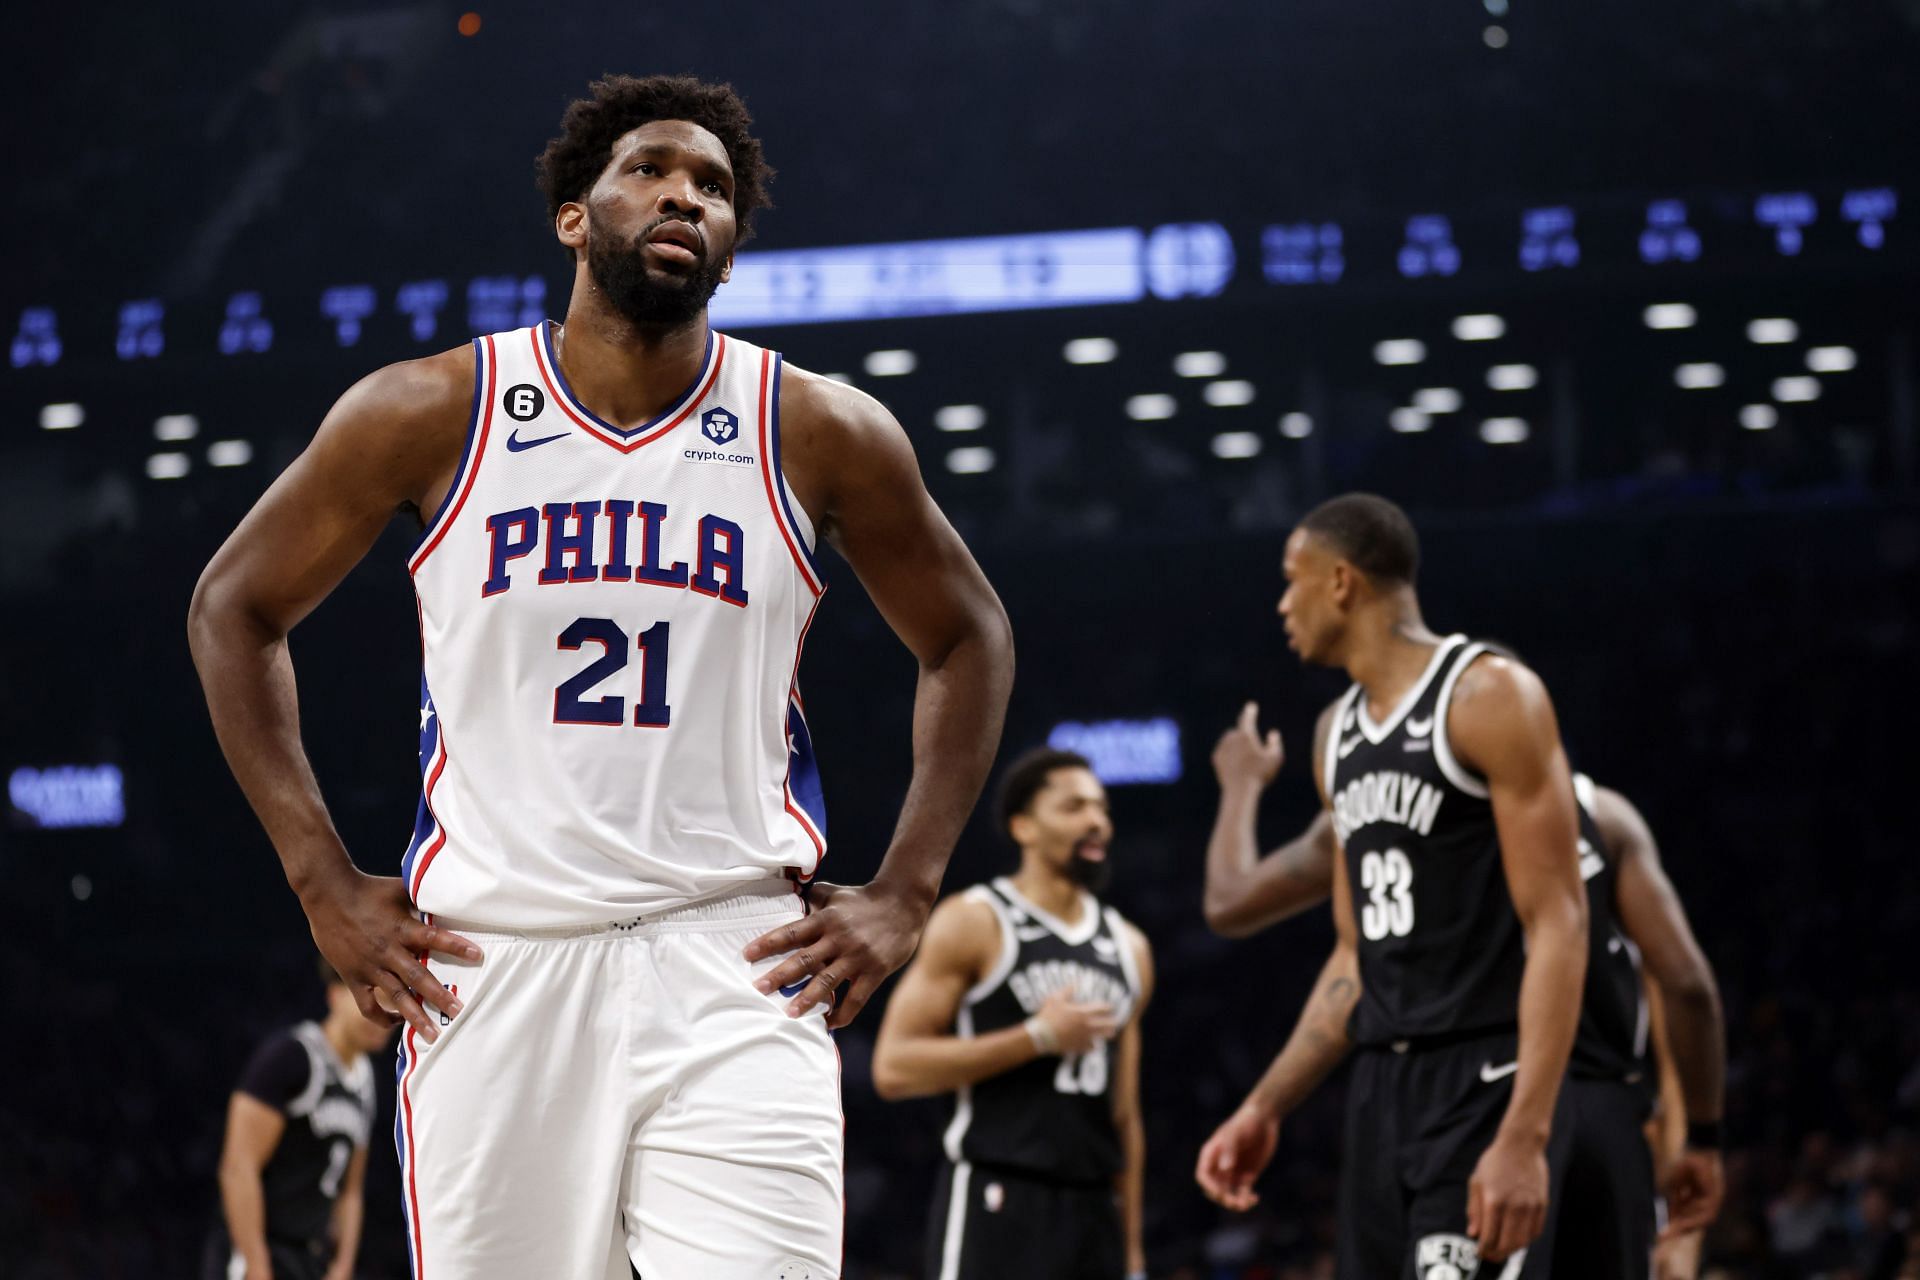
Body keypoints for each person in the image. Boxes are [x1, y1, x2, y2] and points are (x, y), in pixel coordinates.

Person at [188, 74, 1013, 1280]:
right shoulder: (433, 410)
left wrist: (909, 885)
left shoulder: (816, 428)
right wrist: (318, 879)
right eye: (651, 170)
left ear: (732, 248)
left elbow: (970, 635)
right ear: (575, 214)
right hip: (494, 956)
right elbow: (234, 606)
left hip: (736, 955)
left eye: (716, 189)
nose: (685, 195)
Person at [1193, 492, 1589, 1278]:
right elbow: (1352, 957)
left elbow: (1559, 923)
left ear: (1341, 581)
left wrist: (1525, 1134)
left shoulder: (1489, 696)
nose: (1280, 603)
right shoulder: (1335, 733)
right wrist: (1265, 1105)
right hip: (1381, 1091)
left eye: (1290, 579)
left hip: (1483, 1075)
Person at [1202, 707, 1727, 1277]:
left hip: (1479, 1103)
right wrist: (1697, 1137)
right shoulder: (1604, 818)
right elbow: (1685, 988)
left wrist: (1241, 786)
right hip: (1592, 1112)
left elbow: (1234, 904)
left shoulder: (1396, 809)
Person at [872, 748, 1153, 1280]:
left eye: (1102, 808)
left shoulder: (1130, 946)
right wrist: (1037, 1037)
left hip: (1095, 1212)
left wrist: (1133, 1253)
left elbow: (1125, 1116)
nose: (1097, 821)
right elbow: (894, 1066)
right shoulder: (975, 921)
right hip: (996, 1197)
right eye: (1074, 807)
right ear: (1023, 825)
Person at [203, 958, 388, 1280]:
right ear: (335, 995)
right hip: (259, 1250)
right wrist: (257, 1265)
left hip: (311, 1256)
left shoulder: (365, 1081)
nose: (381, 1016)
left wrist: (343, 1266)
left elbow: (351, 1190)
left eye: (391, 1007)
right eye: (371, 1002)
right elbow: (238, 1167)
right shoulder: (290, 1057)